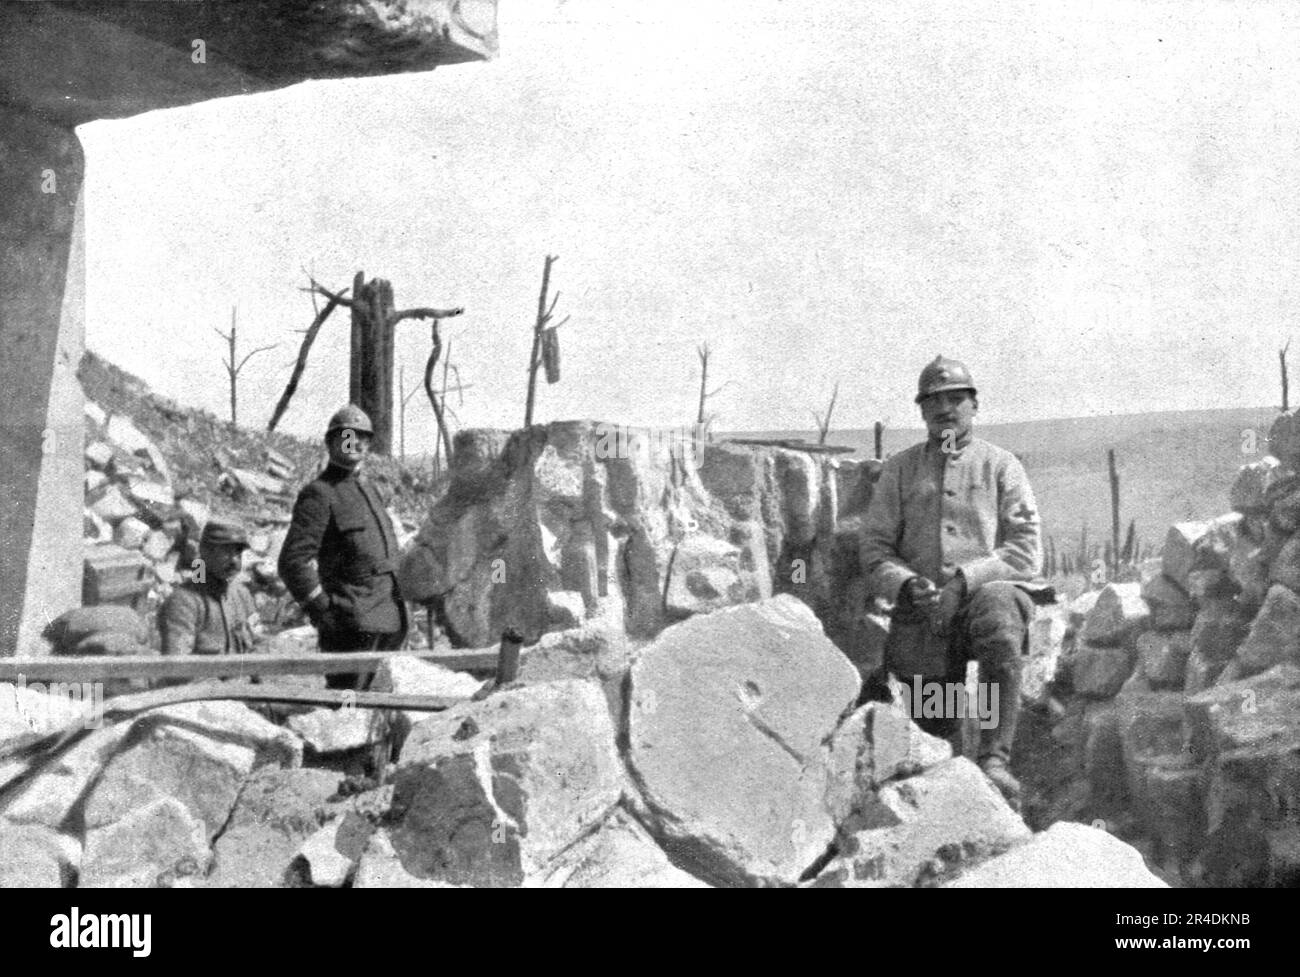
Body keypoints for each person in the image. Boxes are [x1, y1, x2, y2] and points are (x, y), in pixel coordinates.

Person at [859, 355, 1051, 808]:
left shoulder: (1001, 466)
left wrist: (966, 581)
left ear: (974, 406)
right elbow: (874, 547)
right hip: (924, 611)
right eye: (935, 402)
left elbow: (1025, 549)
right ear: (922, 411)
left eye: (957, 400)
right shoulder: (901, 470)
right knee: (938, 731)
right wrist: (906, 584)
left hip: (982, 600)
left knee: (1001, 620)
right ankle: (953, 776)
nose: (946, 410)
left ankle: (995, 759)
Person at [278, 404, 407, 690]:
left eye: (363, 437)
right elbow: (293, 561)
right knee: (345, 710)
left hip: (388, 621)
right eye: (346, 435)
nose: (355, 441)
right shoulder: (319, 494)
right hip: (350, 626)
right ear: (330, 442)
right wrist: (324, 611)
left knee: (378, 711)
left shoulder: (369, 491)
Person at [159, 518, 262, 657]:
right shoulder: (184, 601)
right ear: (205, 552)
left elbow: (257, 644)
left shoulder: (242, 594)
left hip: (241, 677)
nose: (234, 560)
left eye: (237, 552)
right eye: (225, 551)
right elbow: (178, 668)